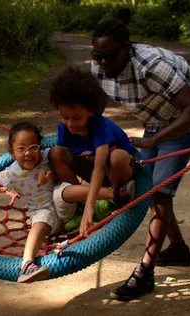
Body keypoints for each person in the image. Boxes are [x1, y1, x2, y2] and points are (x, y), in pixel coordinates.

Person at [90, 8, 190, 301]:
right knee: (152, 185)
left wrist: (154, 140)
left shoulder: (151, 66)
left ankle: (145, 273)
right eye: (98, 55)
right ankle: (178, 248)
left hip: (185, 119)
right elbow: (97, 112)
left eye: (110, 55)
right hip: (155, 120)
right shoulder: (99, 67)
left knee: (159, 191)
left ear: (126, 49)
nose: (103, 62)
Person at [0, 122, 118, 283]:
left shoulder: (47, 157)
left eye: (33, 147)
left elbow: (62, 159)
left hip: (65, 204)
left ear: (40, 148)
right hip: (43, 212)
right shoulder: (11, 173)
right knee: (39, 222)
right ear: (12, 153)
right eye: (21, 149)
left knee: (63, 190)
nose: (28, 153)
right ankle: (27, 264)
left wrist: (52, 174)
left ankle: (115, 193)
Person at [47, 66, 138, 238]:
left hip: (114, 171)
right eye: (65, 117)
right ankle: (79, 206)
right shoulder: (65, 128)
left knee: (117, 156)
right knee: (55, 153)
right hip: (89, 168)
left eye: (76, 118)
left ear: (90, 111)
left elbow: (100, 167)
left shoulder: (99, 127)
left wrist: (91, 205)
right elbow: (60, 156)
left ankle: (115, 196)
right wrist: (48, 174)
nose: (71, 124)